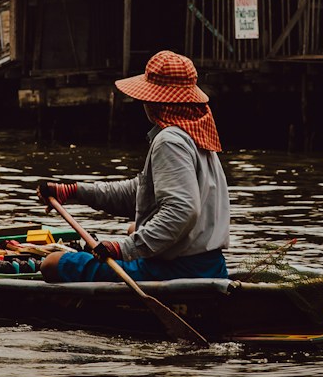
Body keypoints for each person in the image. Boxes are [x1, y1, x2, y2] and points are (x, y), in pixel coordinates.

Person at [38, 49, 230, 283]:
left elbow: (181, 211)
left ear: (154, 101)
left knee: (52, 263)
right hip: (212, 266)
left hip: (176, 270)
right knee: (132, 229)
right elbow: (141, 193)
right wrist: (73, 191)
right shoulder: (197, 136)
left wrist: (124, 248)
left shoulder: (170, 141)